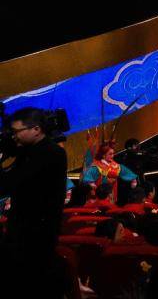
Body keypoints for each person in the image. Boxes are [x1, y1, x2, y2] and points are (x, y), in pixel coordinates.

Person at [0, 107, 69, 296]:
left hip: (37, 234)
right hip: (22, 229)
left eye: (17, 131)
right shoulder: (29, 151)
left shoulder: (51, 153)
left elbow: (10, 183)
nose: (13, 136)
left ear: (36, 129)